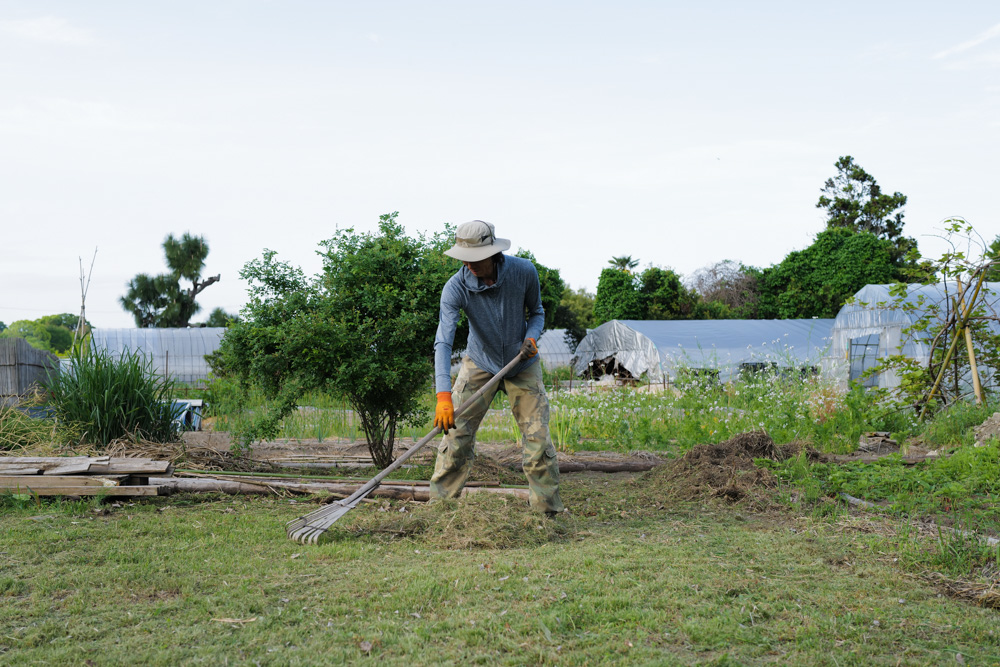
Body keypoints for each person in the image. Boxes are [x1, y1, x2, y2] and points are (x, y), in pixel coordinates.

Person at [430, 220, 565, 515]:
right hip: (479, 362)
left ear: (493, 253)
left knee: (537, 440)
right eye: (465, 258)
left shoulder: (523, 271)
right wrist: (443, 395)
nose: (470, 264)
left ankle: (548, 515)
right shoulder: (455, 288)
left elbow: (538, 312)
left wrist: (530, 337)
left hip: (522, 362)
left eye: (477, 258)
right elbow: (443, 341)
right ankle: (438, 512)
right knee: (455, 437)